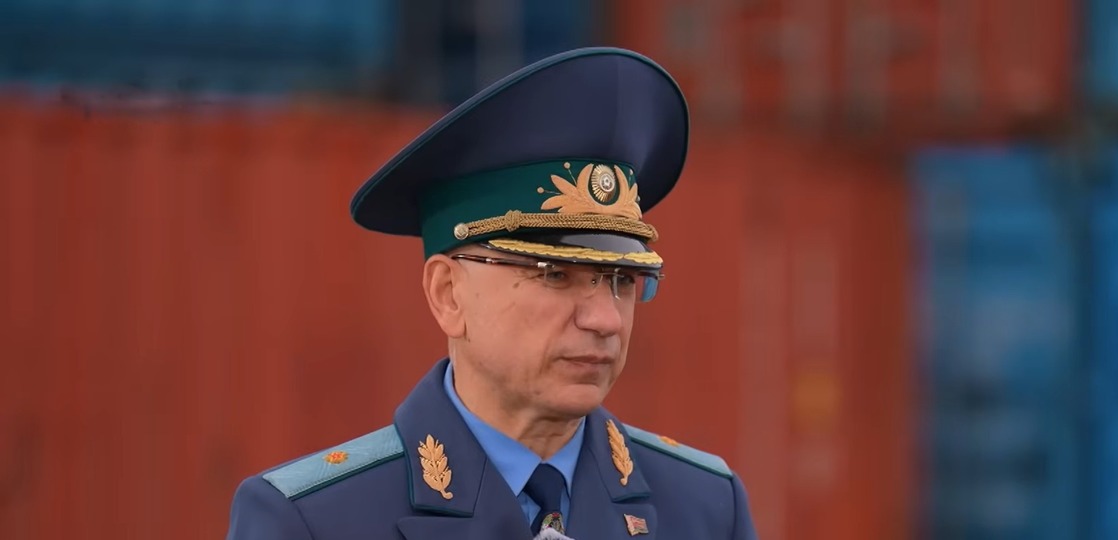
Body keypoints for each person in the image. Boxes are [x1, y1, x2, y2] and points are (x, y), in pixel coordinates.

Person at [225, 47, 759, 540]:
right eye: (554, 274)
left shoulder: (707, 508)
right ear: (448, 294)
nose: (606, 320)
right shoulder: (314, 521)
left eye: (622, 281)